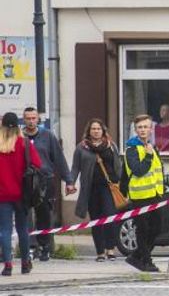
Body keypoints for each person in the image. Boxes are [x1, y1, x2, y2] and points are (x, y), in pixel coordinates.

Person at [21, 107, 73, 263]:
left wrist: (68, 180)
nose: (31, 121)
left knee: (44, 213)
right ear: (24, 120)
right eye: (28, 118)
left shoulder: (47, 136)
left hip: (44, 180)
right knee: (26, 214)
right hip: (25, 180)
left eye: (33, 118)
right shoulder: (20, 136)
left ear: (38, 119)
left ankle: (45, 246)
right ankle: (31, 246)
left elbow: (59, 158)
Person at [71, 119, 122, 261]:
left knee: (110, 216)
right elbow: (75, 167)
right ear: (89, 131)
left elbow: (118, 166)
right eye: (93, 129)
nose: (96, 131)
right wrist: (70, 183)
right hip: (91, 188)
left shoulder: (111, 146)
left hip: (109, 188)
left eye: (98, 129)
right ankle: (100, 252)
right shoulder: (82, 147)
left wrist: (121, 182)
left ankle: (110, 249)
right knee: (96, 220)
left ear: (103, 130)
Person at [0, 113, 43, 277]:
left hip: (2, 194)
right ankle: (25, 263)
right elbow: (37, 164)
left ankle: (8, 265)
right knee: (23, 228)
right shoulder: (24, 143)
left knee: (4, 230)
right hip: (22, 193)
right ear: (18, 125)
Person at [123, 113, 167, 273]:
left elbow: (158, 170)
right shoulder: (131, 149)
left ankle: (136, 256)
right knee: (142, 230)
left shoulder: (151, 147)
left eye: (145, 127)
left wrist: (163, 187)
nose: (143, 130)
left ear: (151, 129)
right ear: (136, 130)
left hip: (155, 194)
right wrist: (148, 156)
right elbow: (138, 170)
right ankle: (146, 261)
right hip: (140, 196)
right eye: (139, 127)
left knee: (157, 228)